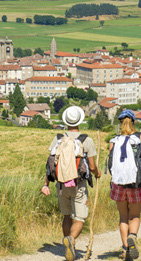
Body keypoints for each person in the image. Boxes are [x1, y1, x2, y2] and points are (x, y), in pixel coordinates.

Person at [40, 106, 100, 261]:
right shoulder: (87, 140)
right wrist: (97, 173)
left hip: (60, 184)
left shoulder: (58, 138)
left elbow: (50, 164)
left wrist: (46, 184)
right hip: (78, 184)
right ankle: (71, 240)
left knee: (66, 215)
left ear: (66, 121)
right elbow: (92, 167)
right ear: (79, 121)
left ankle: (68, 244)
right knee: (79, 218)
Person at [108, 109, 141, 260]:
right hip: (136, 183)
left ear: (120, 123)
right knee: (134, 216)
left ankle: (125, 249)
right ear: (134, 122)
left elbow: (112, 164)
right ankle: (132, 237)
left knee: (123, 217)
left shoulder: (114, 140)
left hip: (118, 184)